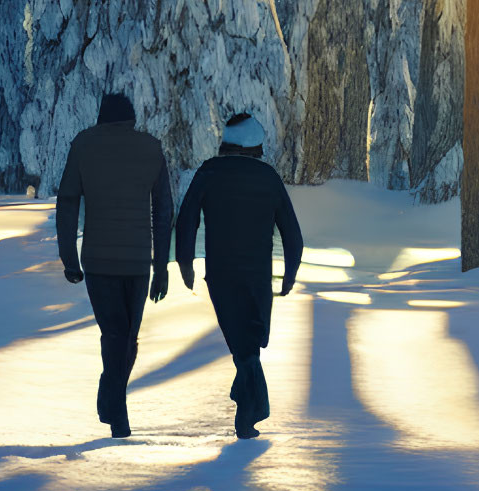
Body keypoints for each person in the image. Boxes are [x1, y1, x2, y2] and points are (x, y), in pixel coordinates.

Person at [173, 111, 303, 439]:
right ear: (254, 144)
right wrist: (290, 272)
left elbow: (187, 219)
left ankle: (250, 405)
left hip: (220, 273)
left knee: (241, 342)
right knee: (250, 342)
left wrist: (185, 262)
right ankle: (251, 412)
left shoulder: (209, 172)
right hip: (258, 274)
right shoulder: (268, 177)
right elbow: (292, 231)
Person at [56, 92, 174, 438]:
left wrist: (69, 258)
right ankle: (116, 413)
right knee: (127, 338)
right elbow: (163, 210)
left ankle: (111, 399)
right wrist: (161, 266)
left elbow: (67, 203)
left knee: (115, 334)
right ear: (132, 118)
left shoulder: (84, 145)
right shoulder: (150, 148)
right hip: (138, 263)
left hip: (98, 261)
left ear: (101, 116)